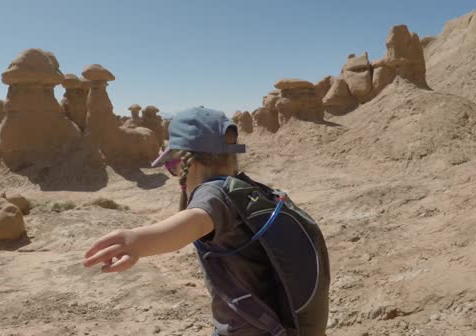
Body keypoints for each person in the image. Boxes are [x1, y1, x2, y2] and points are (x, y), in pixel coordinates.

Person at [83, 107, 329, 336]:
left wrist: (137, 241)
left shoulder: (213, 193)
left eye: (171, 166)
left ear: (187, 163)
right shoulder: (244, 189)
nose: (173, 174)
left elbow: (194, 221)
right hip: (271, 322)